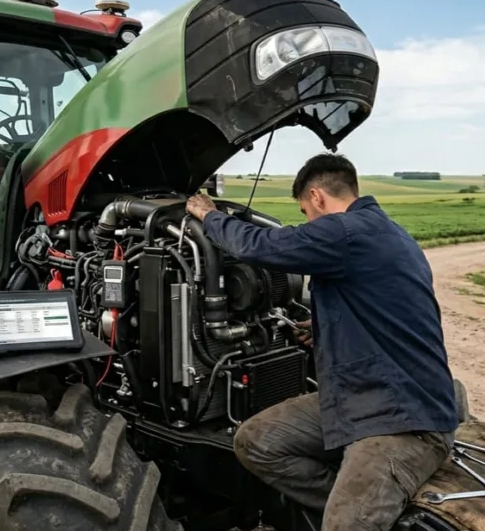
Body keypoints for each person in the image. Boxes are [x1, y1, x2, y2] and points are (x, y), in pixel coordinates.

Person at [185, 153, 459, 531]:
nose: (309, 221)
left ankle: (355, 516)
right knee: (255, 442)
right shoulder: (392, 235)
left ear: (317, 197)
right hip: (363, 395)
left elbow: (261, 247)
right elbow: (388, 311)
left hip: (401, 419)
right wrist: (325, 327)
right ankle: (358, 506)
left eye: (305, 212)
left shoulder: (344, 231)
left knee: (345, 526)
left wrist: (209, 216)